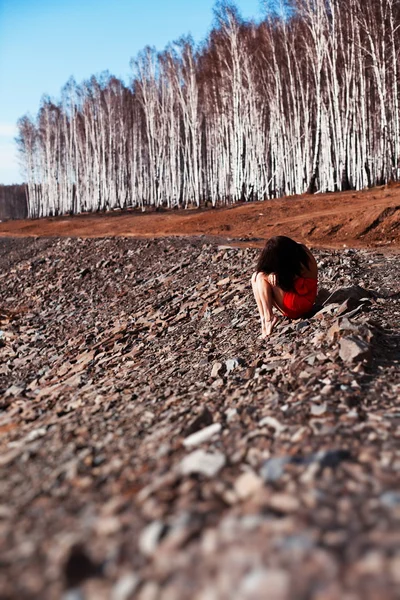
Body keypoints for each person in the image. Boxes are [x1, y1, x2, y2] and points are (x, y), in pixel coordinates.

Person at [251, 236, 318, 338]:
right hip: (303, 299)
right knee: (255, 276)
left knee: (261, 277)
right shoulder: (299, 250)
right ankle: (264, 320)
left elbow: (290, 279)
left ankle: (269, 318)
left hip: (300, 304)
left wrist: (274, 274)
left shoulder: (300, 260)